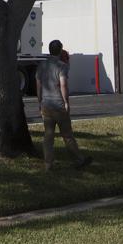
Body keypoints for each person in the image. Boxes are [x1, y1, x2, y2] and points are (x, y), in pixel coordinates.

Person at [36, 39, 91, 171]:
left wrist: (39, 101)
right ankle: (78, 160)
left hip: (46, 105)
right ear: (60, 51)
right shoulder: (62, 66)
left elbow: (38, 84)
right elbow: (63, 85)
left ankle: (48, 163)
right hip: (59, 106)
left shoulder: (42, 65)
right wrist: (66, 102)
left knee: (48, 135)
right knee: (67, 135)